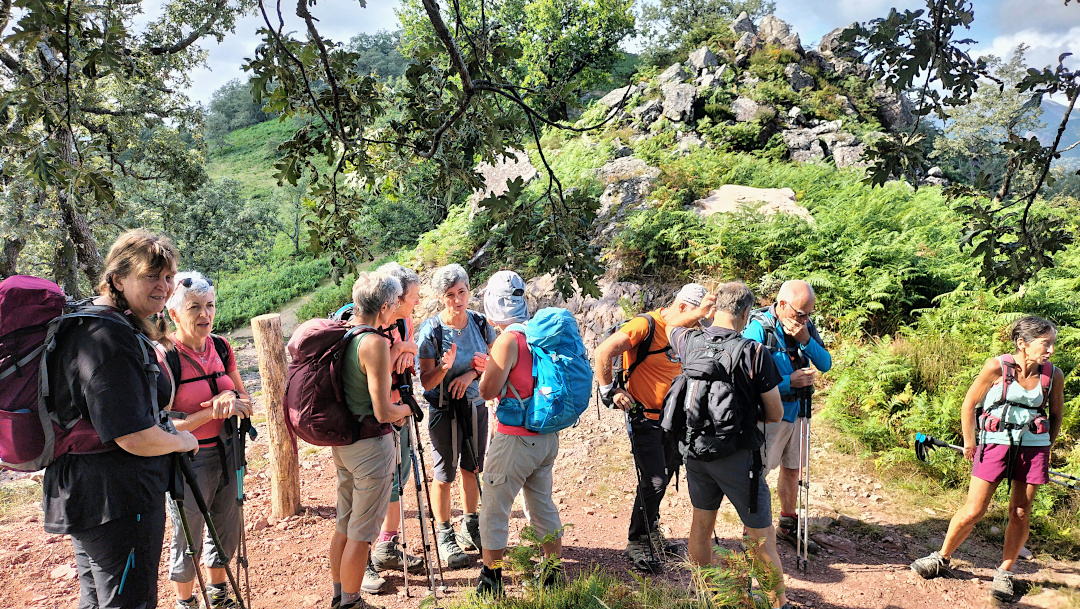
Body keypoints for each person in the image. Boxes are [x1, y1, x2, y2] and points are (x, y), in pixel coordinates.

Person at [43, 229, 199, 609]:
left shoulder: (89, 322)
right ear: (117, 279)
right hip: (118, 500)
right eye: (151, 275)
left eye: (168, 277)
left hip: (88, 494)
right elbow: (133, 436)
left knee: (98, 600)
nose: (164, 286)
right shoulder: (108, 338)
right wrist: (183, 440)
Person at [910, 316, 1064, 601]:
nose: (1051, 350)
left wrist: (1046, 447)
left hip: (1033, 448)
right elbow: (969, 404)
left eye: (1053, 344)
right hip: (994, 444)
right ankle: (941, 557)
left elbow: (1056, 415)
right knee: (975, 509)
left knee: (1020, 512)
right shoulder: (996, 367)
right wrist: (970, 442)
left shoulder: (1053, 375)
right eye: (1045, 344)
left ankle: (1005, 572)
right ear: (1022, 343)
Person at [666, 282, 792, 609]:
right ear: (746, 312)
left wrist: (700, 312)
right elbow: (775, 413)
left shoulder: (688, 340)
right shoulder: (754, 352)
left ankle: (704, 593)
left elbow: (670, 324)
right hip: (738, 458)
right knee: (761, 535)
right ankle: (778, 604)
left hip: (695, 450)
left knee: (701, 522)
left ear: (715, 307)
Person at [592, 283, 715, 572]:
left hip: (674, 420)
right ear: (682, 307)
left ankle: (649, 530)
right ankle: (637, 540)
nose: (698, 326)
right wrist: (610, 391)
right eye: (696, 319)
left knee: (666, 475)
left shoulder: (685, 331)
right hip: (643, 417)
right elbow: (604, 351)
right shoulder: (645, 325)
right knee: (655, 480)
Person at [164, 271, 253, 609]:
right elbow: (161, 425)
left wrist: (232, 397)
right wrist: (212, 412)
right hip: (187, 461)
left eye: (210, 305)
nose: (205, 314)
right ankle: (185, 602)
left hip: (228, 451)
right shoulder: (164, 358)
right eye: (195, 307)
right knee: (188, 537)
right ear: (174, 313)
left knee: (226, 528)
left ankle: (218, 595)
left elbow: (245, 401)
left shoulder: (221, 347)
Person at [474, 271, 563, 596]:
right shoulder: (538, 332)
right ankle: (552, 575)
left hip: (515, 439)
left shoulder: (508, 340)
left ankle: (491, 581)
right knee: (541, 504)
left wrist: (487, 369)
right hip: (545, 435)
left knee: (494, 507)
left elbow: (487, 391)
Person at [328, 272, 414, 609]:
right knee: (362, 533)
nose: (396, 310)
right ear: (384, 307)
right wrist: (407, 409)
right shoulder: (374, 342)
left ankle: (340, 596)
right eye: (394, 304)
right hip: (370, 448)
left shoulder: (346, 333)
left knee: (344, 524)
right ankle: (352, 603)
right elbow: (383, 411)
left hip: (345, 443)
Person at [416, 264, 496, 569]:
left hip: (475, 405)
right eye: (450, 295)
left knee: (472, 466)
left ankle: (470, 525)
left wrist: (473, 373)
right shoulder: (432, 332)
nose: (457, 300)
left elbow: (495, 361)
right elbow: (426, 381)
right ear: (440, 297)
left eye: (462, 292)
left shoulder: (480, 323)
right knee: (444, 473)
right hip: (444, 410)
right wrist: (445, 369)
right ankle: (445, 534)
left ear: (469, 290)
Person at [742, 279, 831, 552]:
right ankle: (751, 532)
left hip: (800, 411)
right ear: (782, 304)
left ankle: (787, 525)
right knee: (758, 472)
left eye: (809, 314)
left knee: (793, 469)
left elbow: (825, 363)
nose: (804, 319)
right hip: (769, 414)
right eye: (800, 313)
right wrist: (788, 381)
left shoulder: (806, 328)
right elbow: (747, 376)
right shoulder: (758, 328)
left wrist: (806, 340)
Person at [362, 262, 425, 594]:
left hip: (399, 408)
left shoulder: (404, 319)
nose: (417, 301)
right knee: (371, 487)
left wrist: (405, 351)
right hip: (372, 417)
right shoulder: (367, 324)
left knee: (397, 481)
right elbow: (369, 370)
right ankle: (362, 558)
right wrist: (397, 351)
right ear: (395, 298)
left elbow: (410, 352)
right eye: (412, 296)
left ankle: (386, 545)